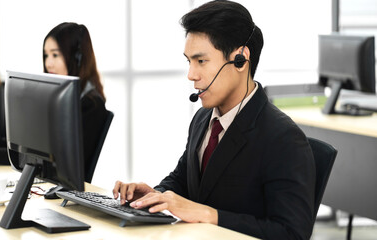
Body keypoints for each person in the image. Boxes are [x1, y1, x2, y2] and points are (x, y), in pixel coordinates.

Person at [112, 1, 316, 239]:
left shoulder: (283, 138)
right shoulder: (203, 119)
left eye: (201, 61)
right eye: (189, 61)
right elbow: (184, 179)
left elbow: (292, 233)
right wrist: (155, 195)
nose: (191, 75)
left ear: (240, 59)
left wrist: (210, 215)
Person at [0, 22, 108, 179]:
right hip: (42, 184)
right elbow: (21, 143)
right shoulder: (55, 99)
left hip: (61, 194)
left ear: (77, 58)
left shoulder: (90, 105)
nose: (49, 64)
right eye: (46, 55)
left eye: (55, 55)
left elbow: (52, 161)